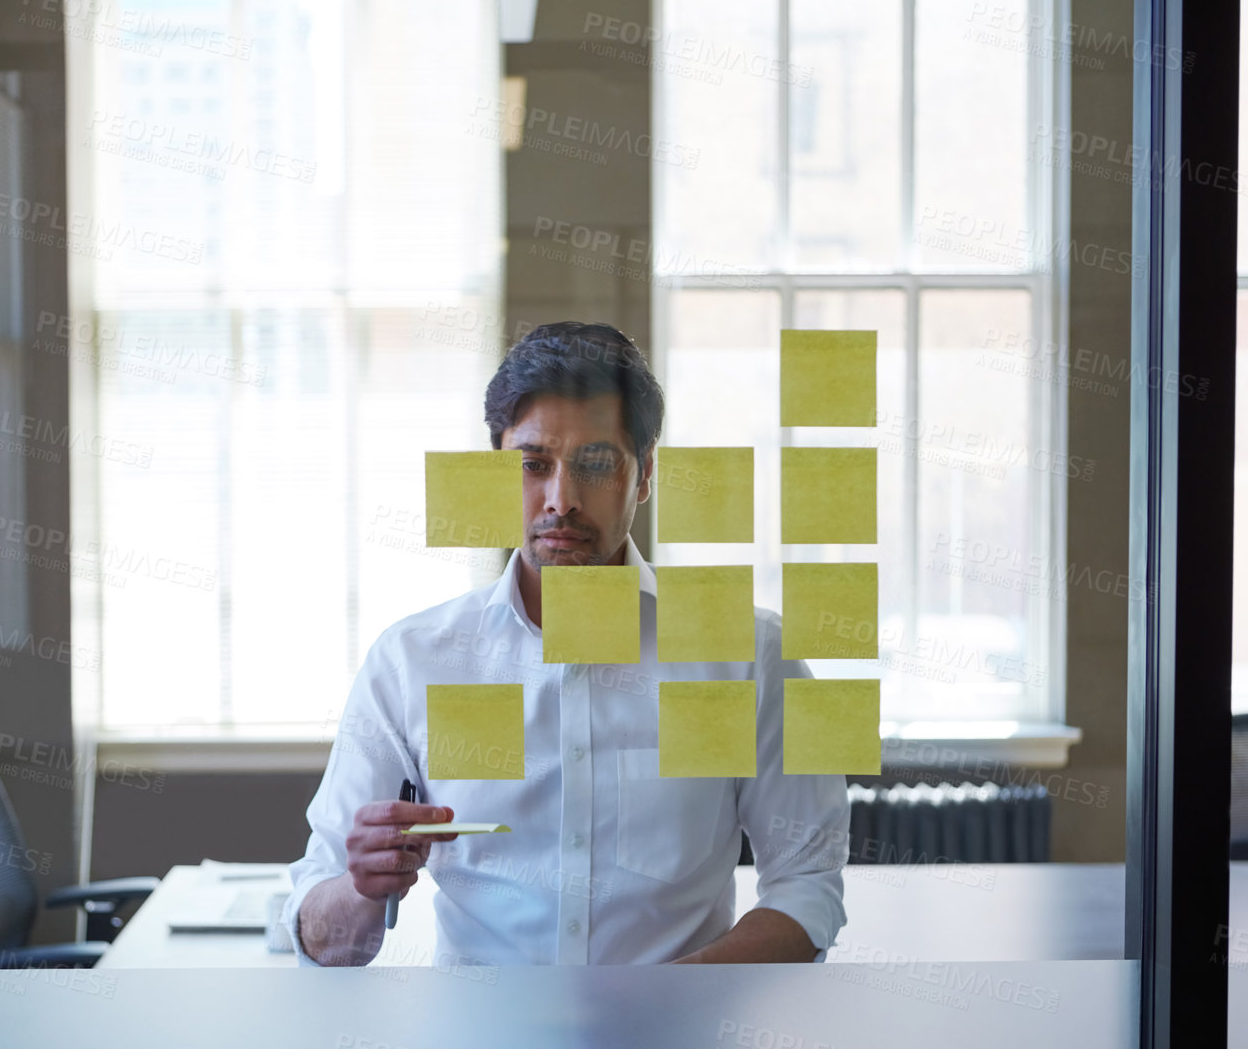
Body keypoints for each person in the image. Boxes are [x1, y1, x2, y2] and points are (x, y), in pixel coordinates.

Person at [282, 321, 848, 966]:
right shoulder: (413, 660)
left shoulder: (751, 654)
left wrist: (661, 1004)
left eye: (597, 464)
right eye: (532, 465)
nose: (562, 500)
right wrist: (362, 889)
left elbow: (809, 889)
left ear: (645, 474)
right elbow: (322, 937)